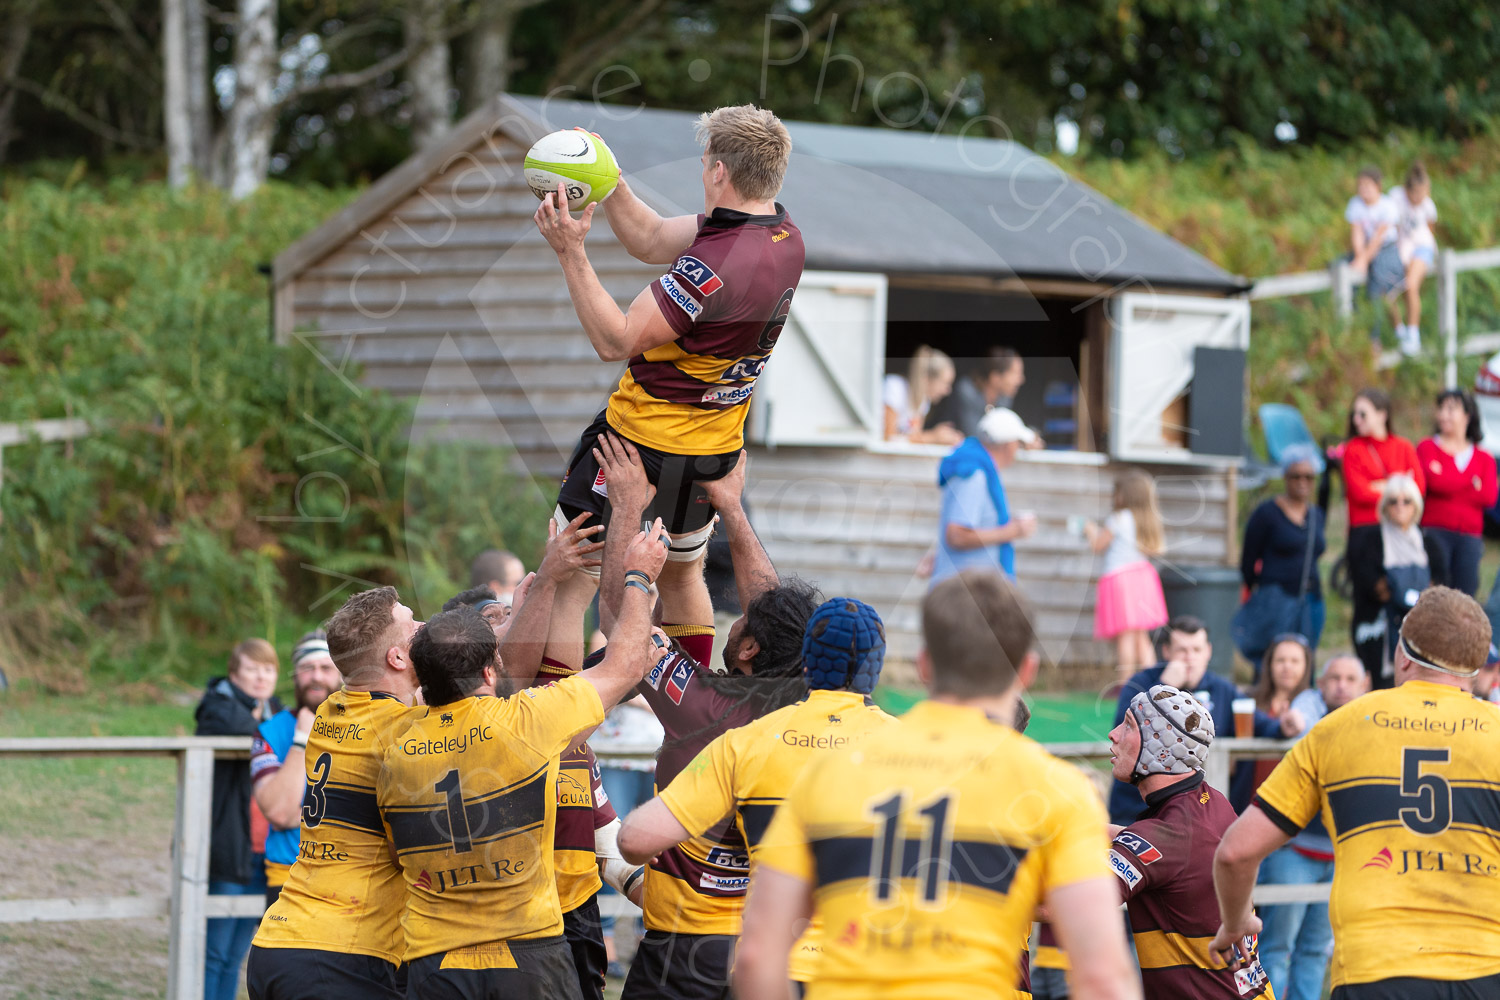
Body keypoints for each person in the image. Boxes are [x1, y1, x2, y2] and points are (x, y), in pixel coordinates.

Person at [734, 570, 1139, 1000]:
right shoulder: (1061, 792)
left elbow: (759, 953)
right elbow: (1102, 980)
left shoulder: (831, 770)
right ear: (1027, 671)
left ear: (925, 665)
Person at [376, 516, 667, 1000]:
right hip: (528, 955)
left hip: (432, 960)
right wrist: (639, 578)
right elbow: (623, 665)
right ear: (490, 671)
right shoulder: (527, 724)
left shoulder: (390, 742)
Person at [591, 433, 819, 1000]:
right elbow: (769, 607)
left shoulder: (702, 705)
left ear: (746, 652)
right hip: (775, 949)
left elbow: (624, 620)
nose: (736, 615)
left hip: (687, 951)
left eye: (743, 623)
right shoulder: (811, 696)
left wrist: (624, 509)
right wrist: (731, 508)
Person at [540, 106, 801, 569]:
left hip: (644, 442)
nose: (703, 171)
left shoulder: (712, 265)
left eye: (704, 162)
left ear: (720, 170)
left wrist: (570, 251)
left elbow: (614, 341)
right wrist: (609, 179)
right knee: (682, 581)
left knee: (569, 578)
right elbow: (651, 237)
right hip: (712, 449)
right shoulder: (783, 235)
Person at [1212, 586, 1500, 999]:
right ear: (1478, 667)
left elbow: (1235, 852)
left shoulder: (1337, 728)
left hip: (1374, 973)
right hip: (1487, 972)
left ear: (1401, 654)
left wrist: (1236, 922)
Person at [617, 597, 899, 995]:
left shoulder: (747, 741)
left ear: (806, 662)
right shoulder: (914, 748)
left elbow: (635, 840)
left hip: (768, 963)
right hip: (863, 966)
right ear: (876, 668)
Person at [247, 587, 422, 1000]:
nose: (425, 629)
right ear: (396, 658)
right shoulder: (405, 732)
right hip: (337, 954)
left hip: (280, 940)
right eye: (414, 624)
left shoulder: (330, 711)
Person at [1108, 685, 1272, 998]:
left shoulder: (1161, 838)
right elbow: (1163, 847)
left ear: (1160, 746)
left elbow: (1055, 907)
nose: (1113, 734)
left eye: (1128, 724)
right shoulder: (1212, 801)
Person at [1256, 653, 1370, 1000]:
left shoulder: (1375, 721)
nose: (1342, 685)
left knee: (1316, 950)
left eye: (1351, 679)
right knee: (1277, 947)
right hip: (1295, 850)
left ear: (1364, 685)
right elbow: (1297, 719)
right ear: (1320, 684)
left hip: (1342, 856)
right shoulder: (1307, 713)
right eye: (1334, 678)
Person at [1109, 616, 1280, 826]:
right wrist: (1164, 687)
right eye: (1182, 650)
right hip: (1135, 810)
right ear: (1166, 652)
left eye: (1196, 650)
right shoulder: (1142, 683)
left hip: (1199, 813)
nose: (1189, 658)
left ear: (1208, 652)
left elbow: (1264, 726)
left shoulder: (1222, 689)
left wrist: (1287, 725)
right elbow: (1122, 730)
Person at [196, 638, 282, 1000]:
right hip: (229, 844)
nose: (260, 677)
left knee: (237, 953)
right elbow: (256, 731)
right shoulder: (217, 707)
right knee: (214, 950)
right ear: (233, 674)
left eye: (268, 670)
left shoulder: (275, 711)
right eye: (251, 669)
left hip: (265, 847)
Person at [250, 630, 342, 906]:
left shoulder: (365, 723)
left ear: (341, 674)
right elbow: (280, 813)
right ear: (295, 676)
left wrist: (302, 812)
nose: (316, 676)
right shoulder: (270, 731)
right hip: (287, 876)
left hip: (350, 875)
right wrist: (301, 738)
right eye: (307, 668)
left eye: (326, 668)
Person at [1342, 389, 1424, 684]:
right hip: (1365, 535)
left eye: (1363, 413)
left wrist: (1382, 486)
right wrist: (1394, 484)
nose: (1356, 419)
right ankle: (1370, 672)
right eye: (1354, 414)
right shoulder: (1353, 449)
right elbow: (1358, 491)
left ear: (1382, 414)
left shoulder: (1402, 446)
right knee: (1369, 601)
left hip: (1398, 535)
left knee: (1401, 602)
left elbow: (1418, 485)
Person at [1236, 443, 1327, 665]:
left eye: (1309, 477)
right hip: (1276, 598)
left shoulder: (1315, 514)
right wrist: (1261, 589)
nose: (1302, 482)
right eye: (1296, 476)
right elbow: (1248, 559)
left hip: (1311, 600)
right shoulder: (1266, 514)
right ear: (1286, 477)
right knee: (1272, 660)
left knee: (1304, 661)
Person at [932, 407, 1038, 585]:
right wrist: (1012, 531)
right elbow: (956, 535)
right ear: (1007, 444)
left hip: (964, 590)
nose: (1017, 450)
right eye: (1017, 444)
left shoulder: (975, 470)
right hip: (964, 595)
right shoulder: (974, 475)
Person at [1087, 468, 1169, 683]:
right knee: (1141, 637)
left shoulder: (1119, 518)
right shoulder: (1147, 520)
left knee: (1125, 636)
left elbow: (1098, 545)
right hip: (1142, 578)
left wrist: (1089, 531)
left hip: (1120, 580)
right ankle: (1154, 684)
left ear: (1125, 495)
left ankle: (1125, 685)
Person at [1349, 473, 1430, 687]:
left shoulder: (1428, 540)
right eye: (1393, 501)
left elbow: (1439, 587)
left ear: (1417, 506)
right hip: (1379, 627)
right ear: (1385, 506)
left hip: (1422, 629)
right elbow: (1372, 586)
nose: (1400, 506)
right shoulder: (1370, 539)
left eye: (1407, 501)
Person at [1417, 389, 1496, 596]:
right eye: (1441, 409)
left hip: (1469, 537)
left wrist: (1447, 480)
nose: (1443, 414)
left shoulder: (1484, 457)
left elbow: (1489, 497)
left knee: (1465, 595)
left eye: (1451, 409)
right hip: (1435, 533)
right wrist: (1470, 482)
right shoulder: (1427, 447)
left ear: (1467, 415)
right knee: (1435, 595)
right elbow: (1434, 483)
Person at [1229, 634, 1313, 813]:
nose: (1287, 667)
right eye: (1280, 660)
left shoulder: (1314, 705)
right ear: (1269, 665)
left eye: (1294, 661)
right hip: (1247, 796)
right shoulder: (1248, 699)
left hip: (1292, 801)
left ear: (1306, 666)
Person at [1344, 165, 1405, 349]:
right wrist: (1359, 257)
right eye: (1360, 185)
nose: (1363, 190)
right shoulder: (1355, 204)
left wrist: (1363, 260)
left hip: (1386, 249)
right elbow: (1357, 233)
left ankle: (1374, 338)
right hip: (1364, 249)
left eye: (1367, 185)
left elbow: (1379, 237)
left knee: (1376, 288)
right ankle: (1350, 328)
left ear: (1378, 186)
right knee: (1344, 273)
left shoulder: (1387, 206)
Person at [1388, 163, 1439, 355]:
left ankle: (1413, 334)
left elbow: (1430, 229)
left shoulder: (1428, 205)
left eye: (1423, 193)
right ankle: (1399, 331)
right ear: (1407, 190)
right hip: (1401, 248)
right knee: (1390, 290)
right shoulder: (1396, 198)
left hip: (1422, 247)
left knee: (1410, 285)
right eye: (1415, 193)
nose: (1419, 198)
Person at [926, 347, 1026, 437]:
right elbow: (975, 436)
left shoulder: (1004, 398)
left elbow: (1005, 434)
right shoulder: (967, 391)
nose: (1021, 379)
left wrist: (1025, 440)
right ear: (995, 377)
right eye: (1015, 373)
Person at [883, 346, 962, 444]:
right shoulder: (895, 387)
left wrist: (939, 437)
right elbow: (889, 437)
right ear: (926, 378)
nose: (947, 391)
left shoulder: (924, 401)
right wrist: (933, 437)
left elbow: (912, 439)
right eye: (945, 383)